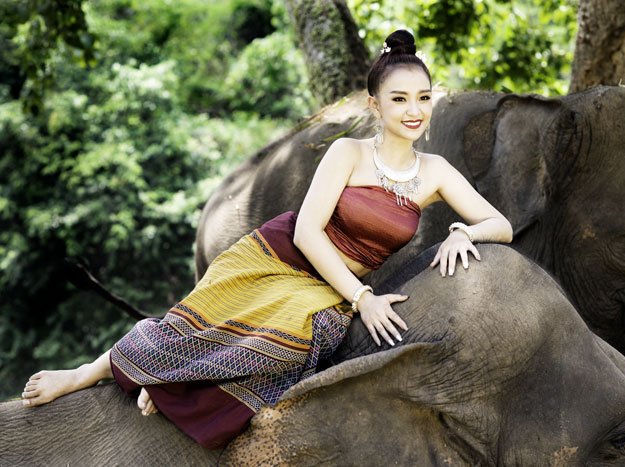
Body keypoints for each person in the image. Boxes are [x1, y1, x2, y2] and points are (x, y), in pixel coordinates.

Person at [20, 29, 512, 449]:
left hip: (325, 286)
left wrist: (460, 230)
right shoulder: (348, 153)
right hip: (283, 256)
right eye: (399, 99)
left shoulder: (435, 172)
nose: (413, 111)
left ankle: (167, 384)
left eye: (423, 98)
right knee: (199, 327)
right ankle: (87, 372)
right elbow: (306, 229)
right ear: (375, 104)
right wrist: (362, 299)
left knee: (300, 339)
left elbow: (502, 227)